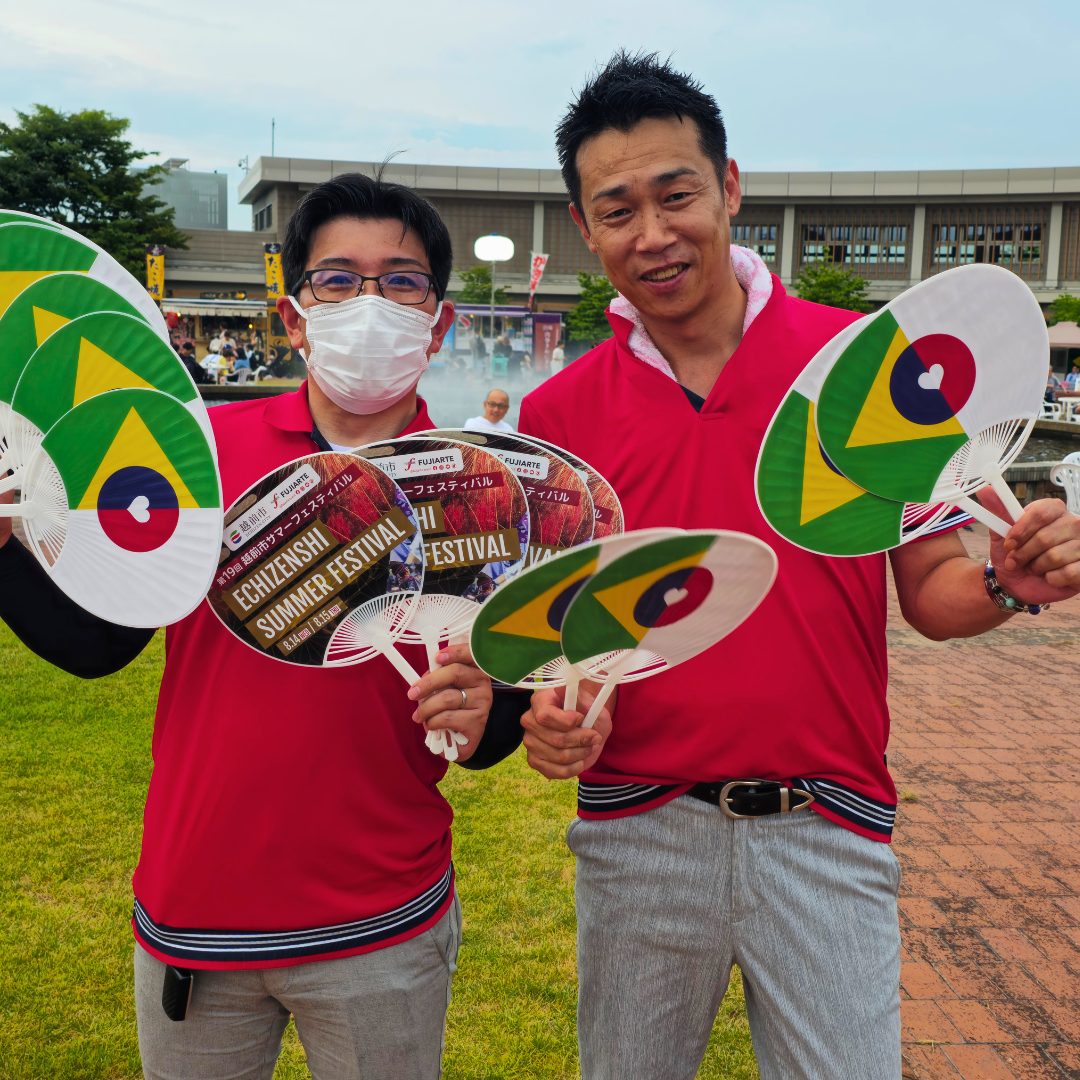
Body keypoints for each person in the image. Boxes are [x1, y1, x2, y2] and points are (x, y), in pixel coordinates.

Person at [517, 52, 1080, 1080]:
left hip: (828, 825)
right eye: (616, 210)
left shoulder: (860, 366)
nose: (652, 233)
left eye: (676, 194)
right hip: (638, 831)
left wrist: (1008, 581)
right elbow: (566, 635)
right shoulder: (559, 417)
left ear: (729, 187)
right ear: (584, 229)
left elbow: (932, 591)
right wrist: (558, 708)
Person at [0, 171, 525, 1079]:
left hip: (384, 926)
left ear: (439, 323)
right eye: (338, 279)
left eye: (401, 281)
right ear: (294, 315)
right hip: (198, 914)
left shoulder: (484, 488)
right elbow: (101, 643)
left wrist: (491, 713)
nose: (369, 302)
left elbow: (495, 713)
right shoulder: (197, 453)